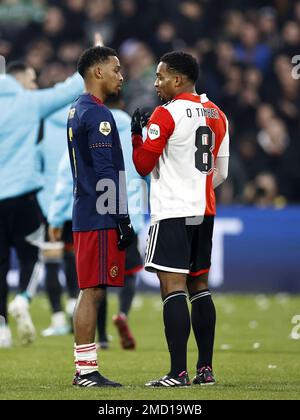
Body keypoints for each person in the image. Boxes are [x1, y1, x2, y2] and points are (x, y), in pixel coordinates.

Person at [131, 51, 229, 387]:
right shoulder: (218, 113)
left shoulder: (166, 113)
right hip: (204, 210)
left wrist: (136, 137)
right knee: (199, 288)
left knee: (173, 288)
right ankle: (205, 370)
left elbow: (143, 164)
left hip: (172, 210)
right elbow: (221, 171)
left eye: (160, 77)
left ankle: (177, 373)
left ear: (178, 79)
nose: (156, 83)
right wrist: (195, 184)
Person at [0, 62, 83, 347]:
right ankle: (23, 297)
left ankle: (2, 329)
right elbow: (69, 89)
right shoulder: (29, 103)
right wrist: (95, 56)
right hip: (24, 198)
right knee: (32, 256)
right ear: (20, 78)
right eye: (32, 79)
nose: (34, 85)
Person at [69, 46, 135, 387]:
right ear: (98, 72)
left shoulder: (77, 110)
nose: (120, 76)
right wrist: (122, 218)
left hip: (86, 210)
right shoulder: (98, 115)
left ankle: (84, 368)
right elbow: (107, 171)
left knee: (90, 289)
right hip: (99, 213)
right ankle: (85, 371)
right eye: (116, 69)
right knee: (92, 290)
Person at [97, 93, 146, 350]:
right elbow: (148, 166)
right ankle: (123, 314)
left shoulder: (94, 124)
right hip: (131, 214)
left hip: (102, 213)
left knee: (100, 279)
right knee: (129, 273)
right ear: (124, 103)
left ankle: (102, 336)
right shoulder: (135, 130)